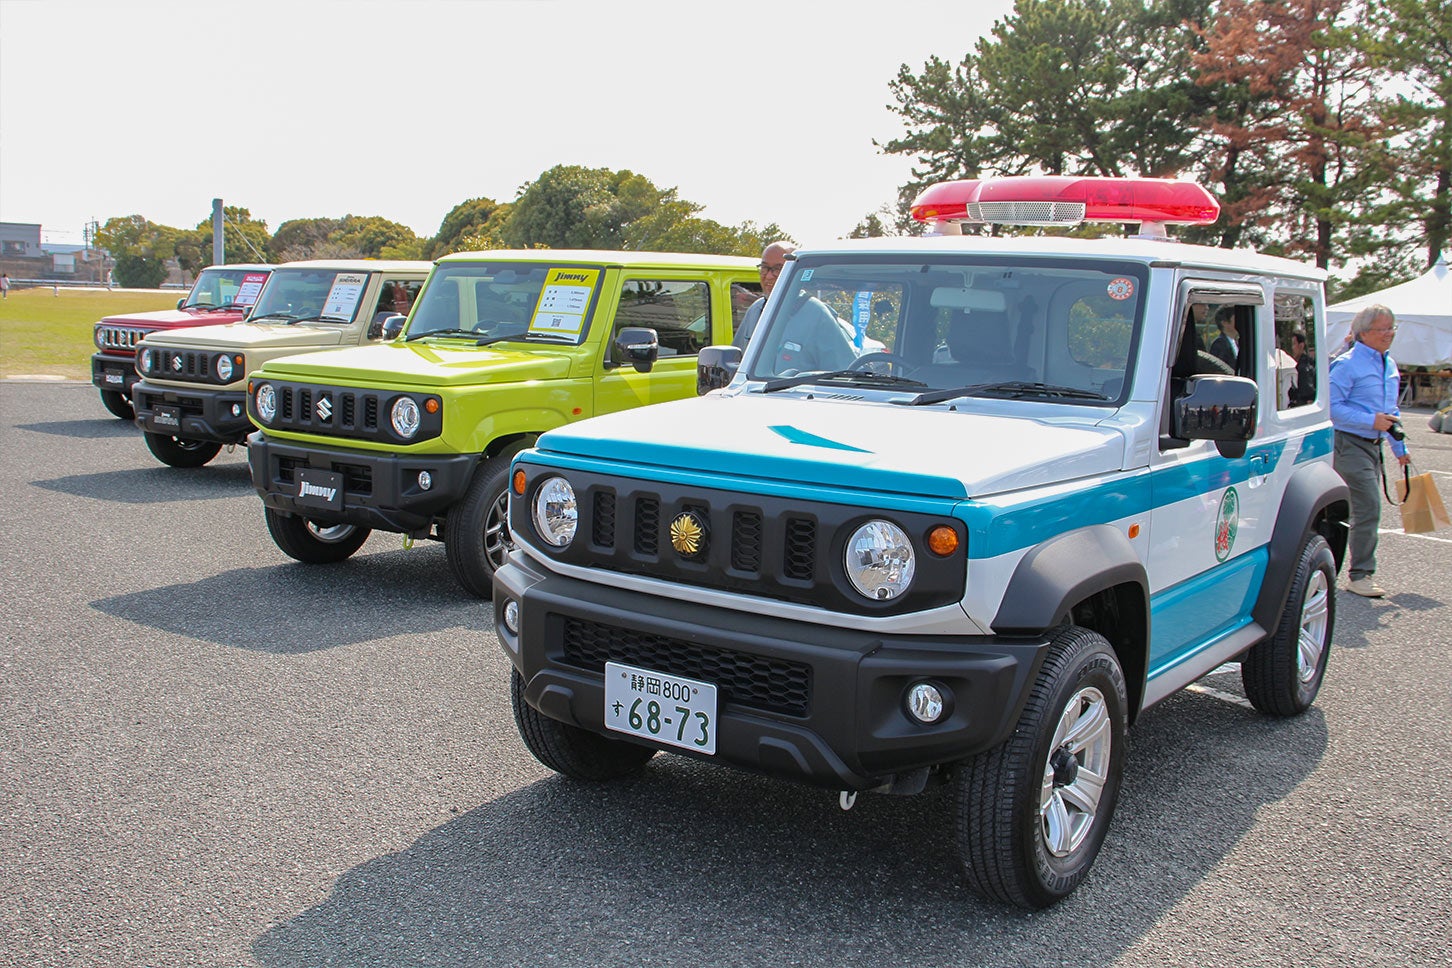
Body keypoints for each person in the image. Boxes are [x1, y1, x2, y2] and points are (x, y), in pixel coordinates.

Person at [1329, 304, 1410, 597]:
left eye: (1392, 328)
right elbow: (1331, 407)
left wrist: (1399, 447)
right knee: (1369, 508)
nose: (1389, 334)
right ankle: (1361, 574)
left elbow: (1391, 410)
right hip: (1348, 443)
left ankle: (1339, 566)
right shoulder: (1347, 364)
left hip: (1371, 445)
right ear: (1364, 333)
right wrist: (1370, 420)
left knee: (1354, 508)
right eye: (1383, 329)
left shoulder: (1388, 364)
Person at [732, 241, 793, 349]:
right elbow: (737, 358)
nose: (768, 276)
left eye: (778, 269)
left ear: (793, 270)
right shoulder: (755, 310)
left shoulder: (818, 315)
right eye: (764, 268)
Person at [1288, 330, 1316, 404]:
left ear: (1301, 345)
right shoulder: (1309, 362)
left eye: (1294, 344)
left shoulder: (1303, 367)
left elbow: (1307, 393)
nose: (1292, 348)